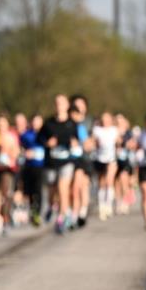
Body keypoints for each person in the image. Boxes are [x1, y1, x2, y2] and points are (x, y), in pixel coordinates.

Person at [38, 95, 79, 234]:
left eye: (62, 103)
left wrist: (74, 143)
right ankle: (51, 206)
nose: (59, 106)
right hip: (51, 162)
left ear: (67, 105)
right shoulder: (48, 123)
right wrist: (47, 143)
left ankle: (62, 218)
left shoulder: (72, 124)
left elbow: (77, 140)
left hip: (66, 161)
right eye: (57, 103)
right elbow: (39, 139)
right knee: (52, 190)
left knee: (63, 188)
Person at [0, 113, 20, 235]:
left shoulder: (11, 136)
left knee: (6, 195)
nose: (1, 126)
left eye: (3, 124)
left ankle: (5, 219)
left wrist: (10, 155)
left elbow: (16, 151)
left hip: (7, 169)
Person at [70, 95, 93, 228]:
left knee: (82, 187)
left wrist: (83, 143)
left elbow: (89, 143)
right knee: (74, 188)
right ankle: (75, 213)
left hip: (85, 160)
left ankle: (81, 213)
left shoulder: (89, 122)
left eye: (81, 104)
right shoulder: (69, 122)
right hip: (72, 160)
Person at [19, 114, 46, 226]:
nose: (36, 124)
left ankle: (38, 212)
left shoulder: (45, 134)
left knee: (38, 189)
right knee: (29, 190)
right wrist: (24, 153)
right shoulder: (25, 135)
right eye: (34, 121)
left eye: (38, 121)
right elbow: (20, 148)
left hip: (41, 166)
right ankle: (32, 210)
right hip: (29, 166)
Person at [92, 112, 120, 220]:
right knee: (102, 182)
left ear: (111, 120)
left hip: (111, 159)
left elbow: (118, 142)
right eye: (103, 119)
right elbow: (93, 141)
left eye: (107, 119)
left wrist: (119, 145)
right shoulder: (97, 130)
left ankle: (108, 205)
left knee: (109, 180)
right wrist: (95, 143)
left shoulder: (114, 130)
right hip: (99, 158)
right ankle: (101, 206)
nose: (105, 121)